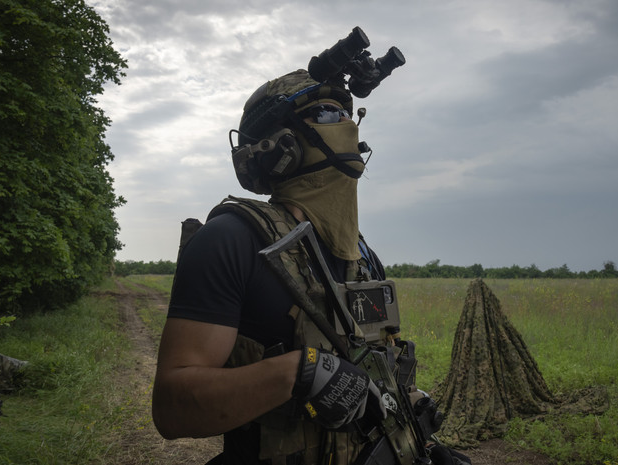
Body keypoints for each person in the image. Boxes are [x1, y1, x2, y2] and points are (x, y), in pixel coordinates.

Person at [153, 62, 471, 464]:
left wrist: (418, 435)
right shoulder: (231, 240)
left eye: (346, 113)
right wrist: (296, 374)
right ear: (280, 146)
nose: (346, 125)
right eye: (324, 114)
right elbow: (171, 409)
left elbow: (372, 376)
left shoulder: (363, 257)